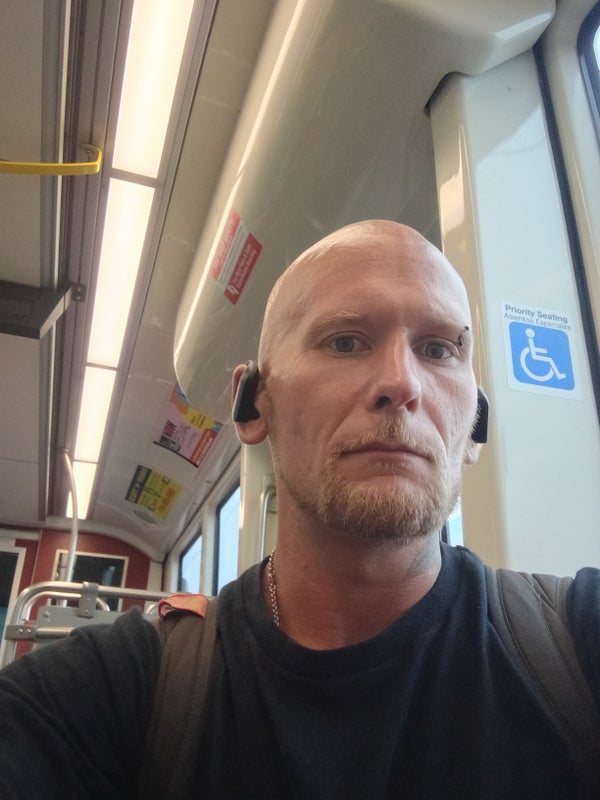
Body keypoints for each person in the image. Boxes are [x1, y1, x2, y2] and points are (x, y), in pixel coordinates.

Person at [0, 220, 599, 799]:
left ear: (474, 429)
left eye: (438, 349)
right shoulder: (113, 691)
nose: (403, 384)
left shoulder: (574, 641)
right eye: (346, 342)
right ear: (253, 404)